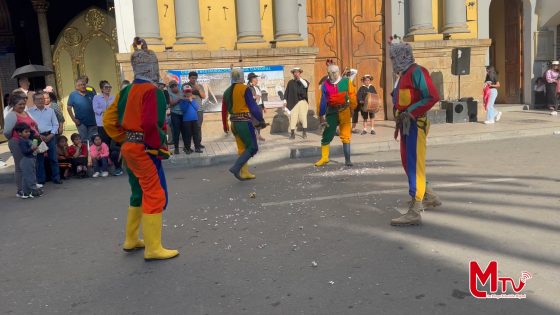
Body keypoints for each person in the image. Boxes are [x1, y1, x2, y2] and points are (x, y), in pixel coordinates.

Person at [103, 37, 178, 260]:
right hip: (145, 149)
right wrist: (158, 145)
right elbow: (149, 124)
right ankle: (153, 248)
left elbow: (108, 120)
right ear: (153, 67)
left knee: (138, 192)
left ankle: (131, 239)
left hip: (129, 148)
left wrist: (126, 138)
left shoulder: (125, 91)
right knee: (155, 194)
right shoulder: (153, 91)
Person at [389, 41, 442, 226]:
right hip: (405, 126)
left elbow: (432, 96)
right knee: (408, 163)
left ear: (403, 56)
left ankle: (415, 209)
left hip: (415, 125)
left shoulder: (417, 72)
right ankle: (429, 196)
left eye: (394, 57)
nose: (393, 61)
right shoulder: (403, 75)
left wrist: (411, 111)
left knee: (414, 166)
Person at [222, 68, 267, 181]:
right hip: (244, 123)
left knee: (243, 149)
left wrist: (225, 125)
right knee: (253, 148)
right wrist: (261, 120)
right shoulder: (244, 88)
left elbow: (223, 110)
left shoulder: (226, 91)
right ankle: (236, 167)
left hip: (234, 124)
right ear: (241, 77)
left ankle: (245, 172)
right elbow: (253, 107)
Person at [314, 60, 358, 167]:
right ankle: (324, 158)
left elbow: (352, 95)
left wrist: (352, 108)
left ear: (338, 72)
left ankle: (348, 160)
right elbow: (323, 101)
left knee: (346, 135)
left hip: (344, 110)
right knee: (327, 134)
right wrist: (321, 116)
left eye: (335, 72)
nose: (333, 74)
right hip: (332, 111)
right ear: (328, 73)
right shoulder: (325, 85)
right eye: (331, 73)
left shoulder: (346, 82)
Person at [3, 92, 40, 197]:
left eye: (23, 104)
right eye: (20, 104)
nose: (22, 106)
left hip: (29, 142)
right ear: (13, 105)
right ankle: (20, 190)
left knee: (29, 166)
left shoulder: (25, 113)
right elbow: (6, 132)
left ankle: (29, 187)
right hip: (17, 143)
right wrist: (14, 139)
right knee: (20, 166)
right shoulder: (12, 115)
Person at [27, 91, 63, 185]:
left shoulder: (50, 110)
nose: (40, 101)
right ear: (34, 101)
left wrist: (51, 134)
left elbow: (55, 124)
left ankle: (56, 177)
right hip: (37, 137)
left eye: (42, 99)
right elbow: (30, 126)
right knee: (39, 159)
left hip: (50, 136)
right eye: (38, 99)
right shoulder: (29, 112)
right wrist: (39, 135)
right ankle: (41, 179)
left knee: (53, 158)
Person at [14, 123, 44, 198]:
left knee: (26, 177)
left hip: (30, 159)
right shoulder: (22, 141)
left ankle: (26, 193)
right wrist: (32, 149)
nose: (28, 133)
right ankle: (34, 191)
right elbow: (25, 151)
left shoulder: (26, 138)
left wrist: (30, 128)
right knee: (31, 176)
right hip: (27, 160)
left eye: (28, 131)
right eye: (26, 132)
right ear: (19, 133)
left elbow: (33, 132)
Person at [284, 67, 310, 139]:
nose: (296, 73)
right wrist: (285, 101)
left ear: (300, 73)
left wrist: (300, 79)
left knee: (303, 117)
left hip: (302, 102)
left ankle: (304, 132)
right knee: (293, 118)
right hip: (293, 102)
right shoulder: (290, 82)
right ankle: (292, 134)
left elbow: (306, 85)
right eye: (295, 72)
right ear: (293, 74)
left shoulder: (303, 81)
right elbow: (287, 92)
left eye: (298, 72)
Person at [179, 84, 202, 153]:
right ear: (184, 92)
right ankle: (187, 148)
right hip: (186, 120)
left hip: (194, 119)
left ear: (191, 92)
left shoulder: (193, 99)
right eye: (186, 91)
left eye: (189, 91)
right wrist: (187, 101)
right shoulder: (182, 101)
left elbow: (197, 108)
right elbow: (184, 110)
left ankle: (197, 148)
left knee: (196, 134)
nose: (188, 93)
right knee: (187, 135)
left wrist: (191, 100)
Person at [186, 71, 206, 149]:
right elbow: (187, 95)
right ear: (189, 78)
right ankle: (189, 145)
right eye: (192, 78)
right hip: (190, 110)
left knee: (198, 127)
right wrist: (193, 93)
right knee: (190, 128)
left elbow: (204, 96)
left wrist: (198, 90)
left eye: (195, 78)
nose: (194, 79)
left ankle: (198, 143)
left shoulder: (200, 86)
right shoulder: (186, 86)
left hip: (199, 109)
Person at [167, 80, 187, 154]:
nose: (174, 87)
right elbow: (171, 103)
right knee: (176, 132)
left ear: (177, 85)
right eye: (172, 86)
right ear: (170, 88)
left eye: (175, 85)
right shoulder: (169, 94)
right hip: (175, 114)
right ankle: (176, 148)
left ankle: (186, 147)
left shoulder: (182, 92)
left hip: (183, 114)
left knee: (184, 131)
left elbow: (188, 98)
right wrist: (179, 99)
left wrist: (186, 98)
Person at [93, 80, 115, 144]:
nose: (108, 89)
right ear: (102, 89)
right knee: (104, 142)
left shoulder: (113, 98)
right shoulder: (97, 97)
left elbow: (115, 109)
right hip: (101, 123)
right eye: (106, 87)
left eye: (109, 87)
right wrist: (105, 111)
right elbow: (96, 109)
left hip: (111, 123)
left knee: (112, 142)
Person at [247, 72, 266, 142]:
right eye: (255, 78)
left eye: (256, 78)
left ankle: (258, 135)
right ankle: (254, 136)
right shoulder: (248, 87)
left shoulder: (257, 87)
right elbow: (247, 96)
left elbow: (261, 97)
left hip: (260, 106)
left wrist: (264, 107)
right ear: (251, 79)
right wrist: (254, 97)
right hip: (254, 106)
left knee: (259, 121)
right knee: (254, 121)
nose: (257, 79)